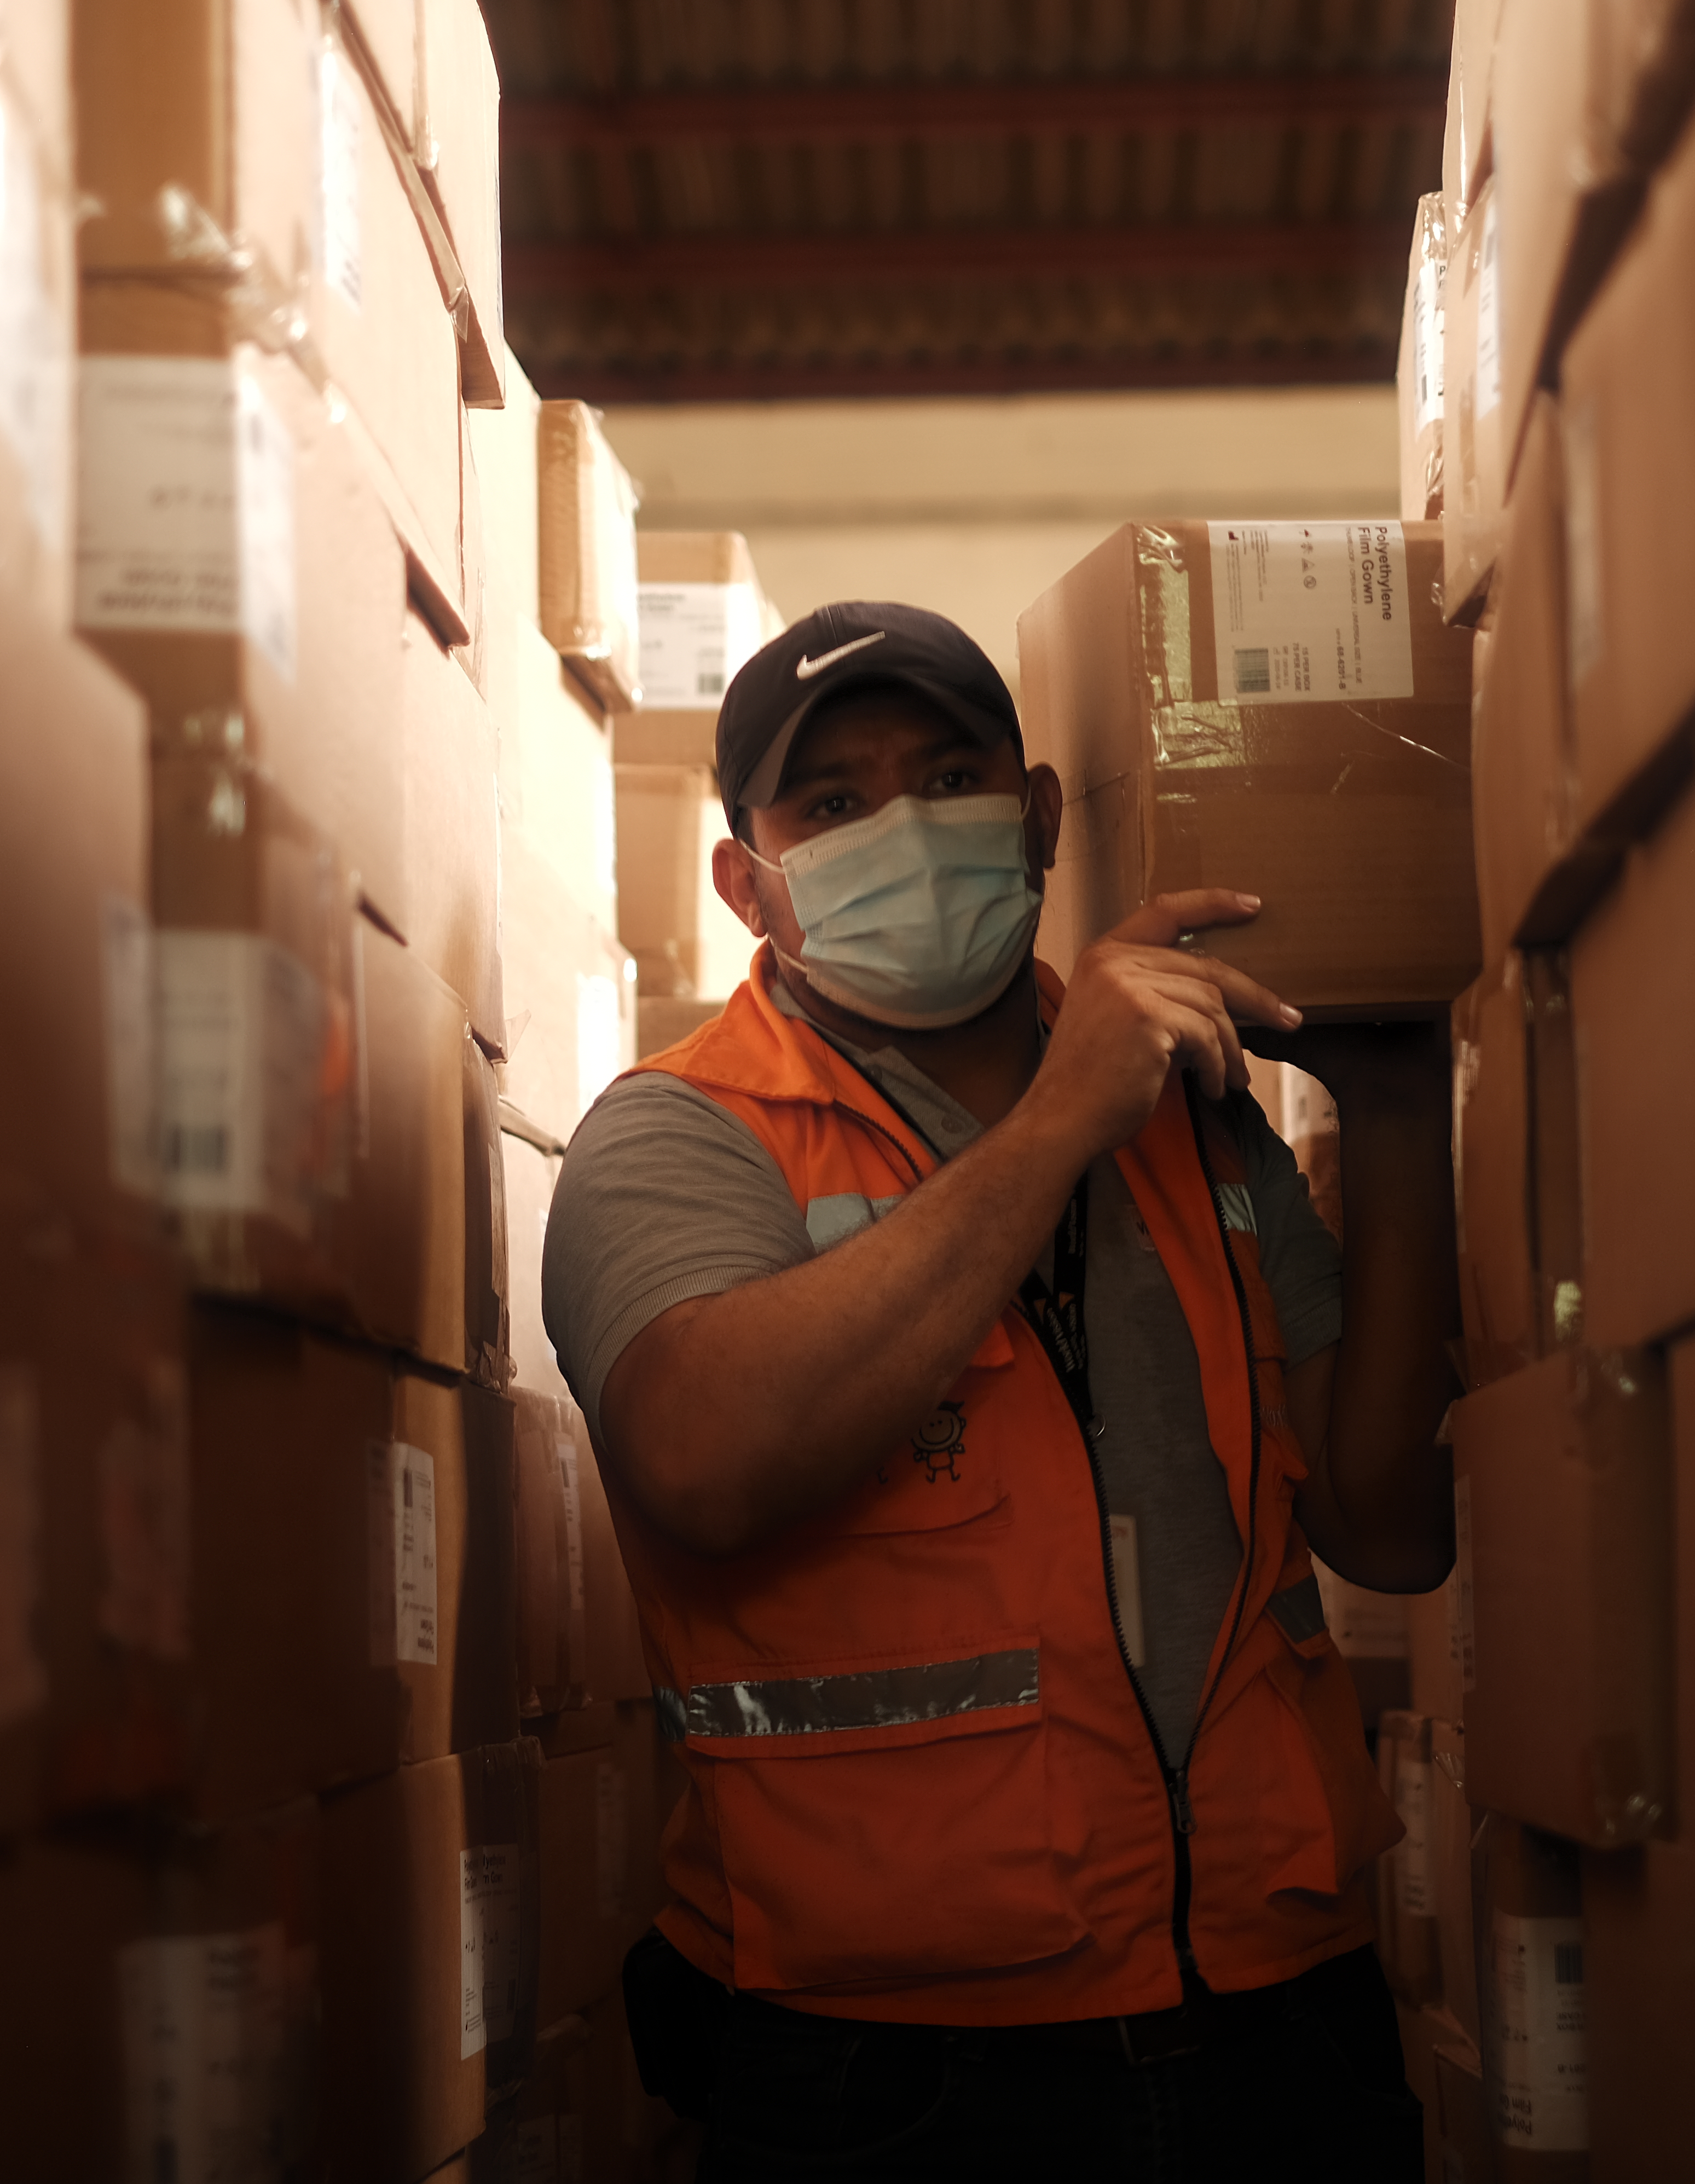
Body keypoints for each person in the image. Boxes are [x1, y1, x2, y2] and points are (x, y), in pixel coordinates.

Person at [543, 600, 1461, 2180]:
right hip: (893, 2064)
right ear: (747, 880)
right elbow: (699, 1459)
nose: (901, 826)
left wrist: (1391, 1114)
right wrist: (1055, 1130)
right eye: (831, 804)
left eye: (949, 775)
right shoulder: (679, 1136)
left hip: (1272, 2008)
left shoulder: (1203, 1112)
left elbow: (1391, 1528)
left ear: (1037, 818)